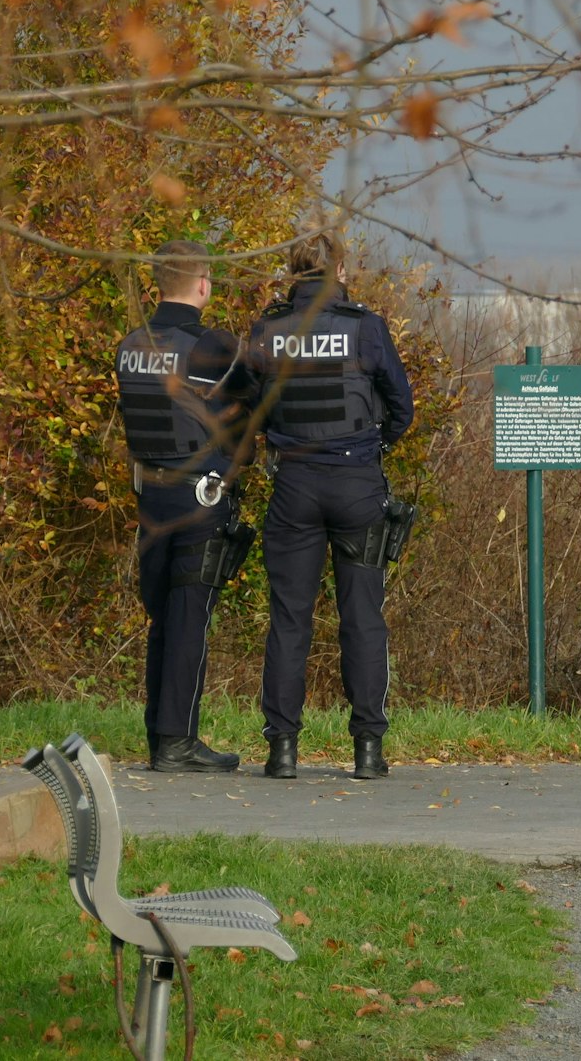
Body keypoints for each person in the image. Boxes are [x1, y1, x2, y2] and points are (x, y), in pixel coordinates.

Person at [249, 226, 415, 780]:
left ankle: (282, 751)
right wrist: (374, 447)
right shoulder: (365, 328)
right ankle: (368, 750)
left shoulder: (268, 331)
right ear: (340, 273)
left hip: (294, 483)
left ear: (292, 275)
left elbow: (247, 408)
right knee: (363, 618)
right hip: (356, 483)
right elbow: (401, 406)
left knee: (289, 619)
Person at [115, 240, 255, 772]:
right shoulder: (211, 345)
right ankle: (177, 742)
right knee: (189, 616)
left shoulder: (130, 344)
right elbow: (250, 407)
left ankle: (162, 736)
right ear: (203, 284)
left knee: (161, 617)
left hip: (150, 495)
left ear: (157, 284)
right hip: (199, 495)